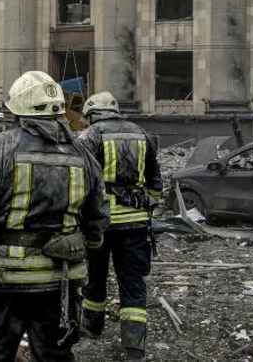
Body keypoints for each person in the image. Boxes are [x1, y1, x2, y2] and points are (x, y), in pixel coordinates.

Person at [0, 71, 109, 362]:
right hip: (60, 280)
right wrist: (91, 249)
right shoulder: (83, 154)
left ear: (17, 110)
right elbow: (98, 217)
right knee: (54, 354)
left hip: (3, 280)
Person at [76, 91, 162, 362]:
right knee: (133, 283)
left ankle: (92, 326)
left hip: (101, 223)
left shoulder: (90, 136)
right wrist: (146, 204)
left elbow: (80, 179)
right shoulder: (142, 134)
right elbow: (156, 183)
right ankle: (134, 347)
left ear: (92, 114)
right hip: (136, 223)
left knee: (96, 276)